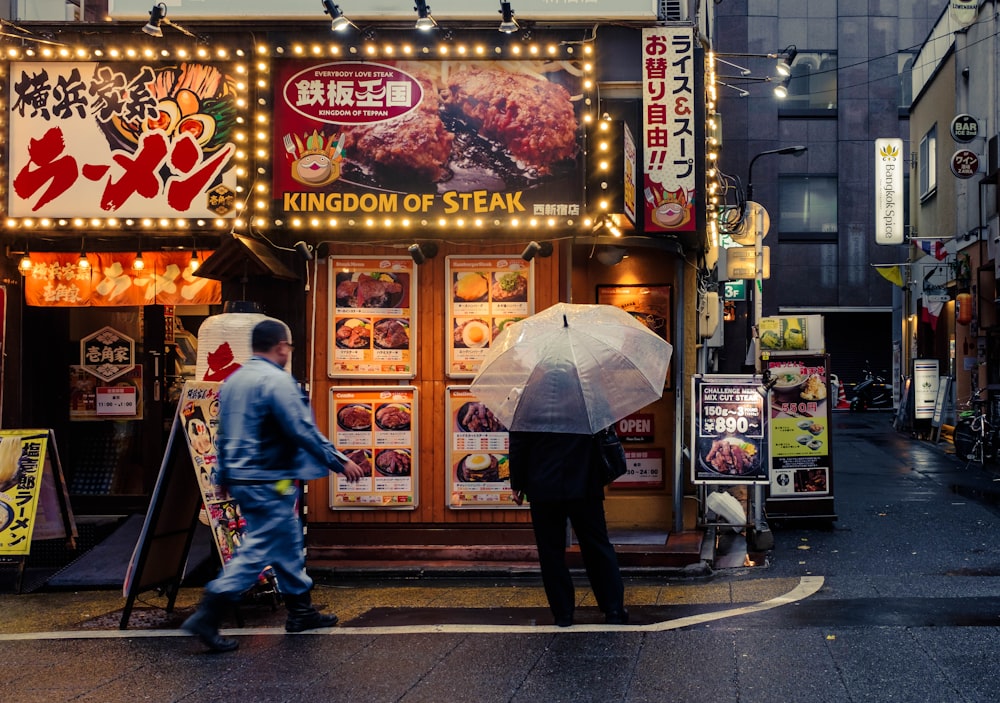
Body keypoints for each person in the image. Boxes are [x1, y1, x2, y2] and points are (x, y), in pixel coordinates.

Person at [182, 319, 365, 652]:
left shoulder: (234, 381)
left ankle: (301, 612)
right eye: (287, 347)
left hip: (243, 478)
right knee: (262, 546)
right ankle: (209, 612)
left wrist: (222, 476)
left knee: (287, 541)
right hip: (270, 479)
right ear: (280, 346)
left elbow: (223, 434)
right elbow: (302, 430)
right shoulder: (277, 382)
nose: (287, 352)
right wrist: (339, 461)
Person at [509, 429, 628, 627]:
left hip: (543, 483)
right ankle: (613, 608)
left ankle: (563, 613)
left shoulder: (530, 404)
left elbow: (519, 444)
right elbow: (604, 430)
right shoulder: (587, 398)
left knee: (551, 552)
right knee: (597, 546)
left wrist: (517, 482)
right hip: (585, 481)